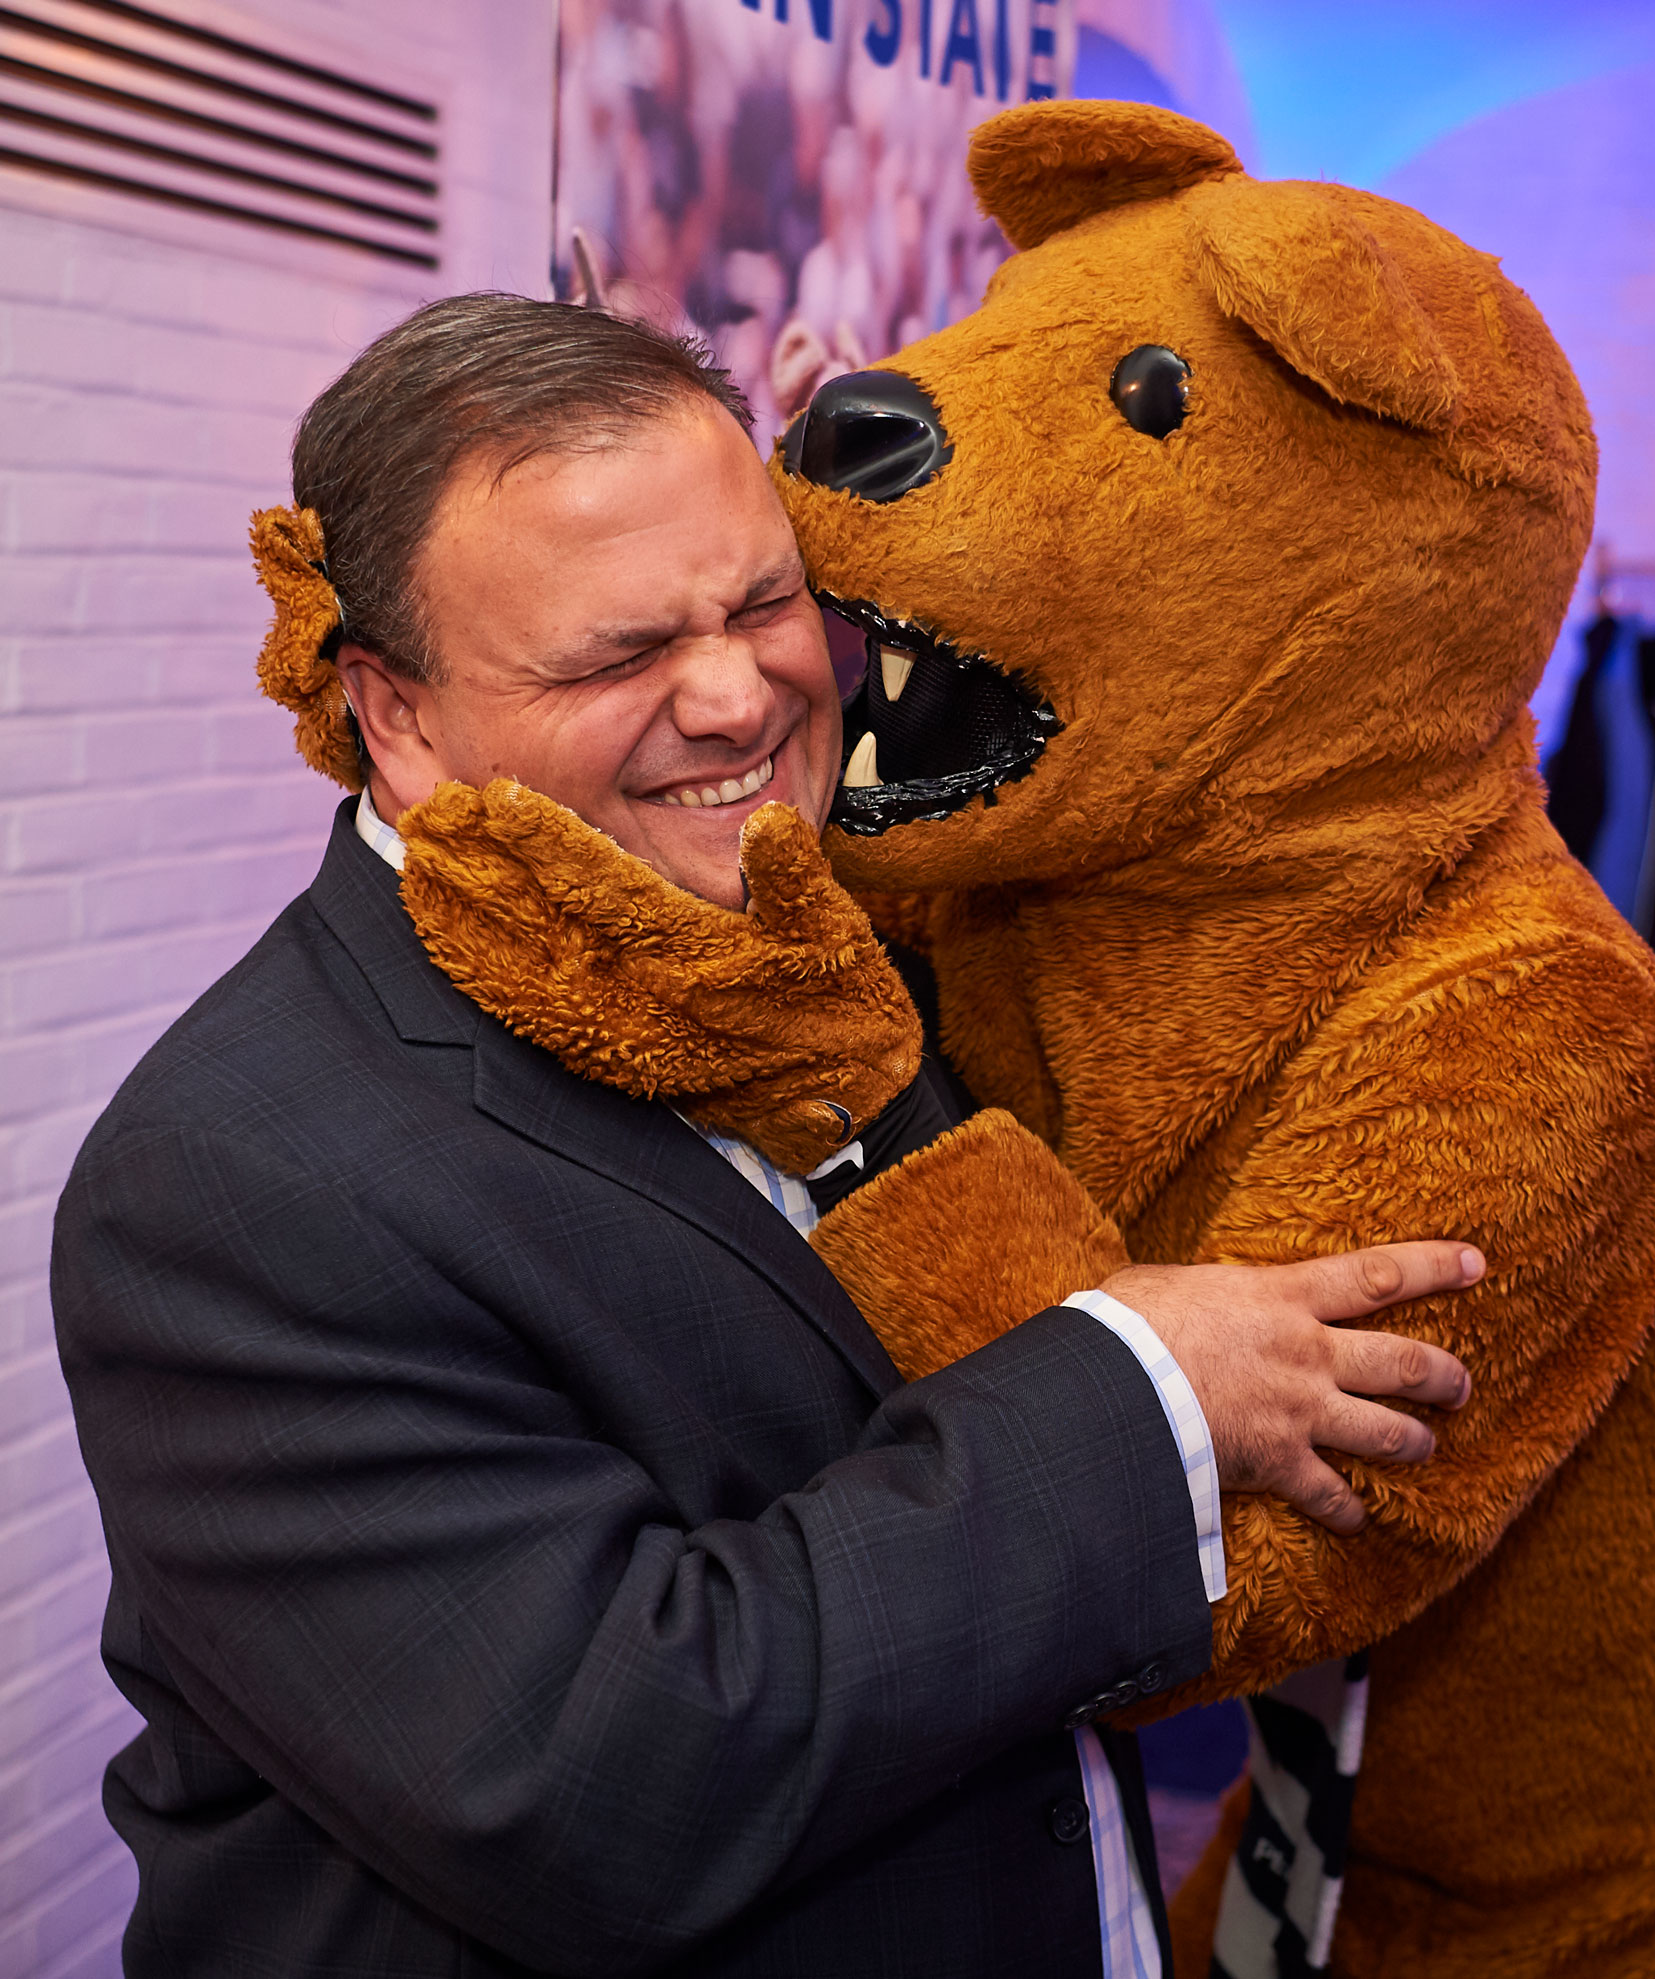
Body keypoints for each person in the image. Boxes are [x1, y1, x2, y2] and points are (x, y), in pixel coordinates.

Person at [51, 295, 1480, 1978]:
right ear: (399, 715)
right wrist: (1136, 1385)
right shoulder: (239, 1174)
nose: (738, 697)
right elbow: (600, 1782)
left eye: (762, 601)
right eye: (615, 655)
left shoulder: (838, 952)